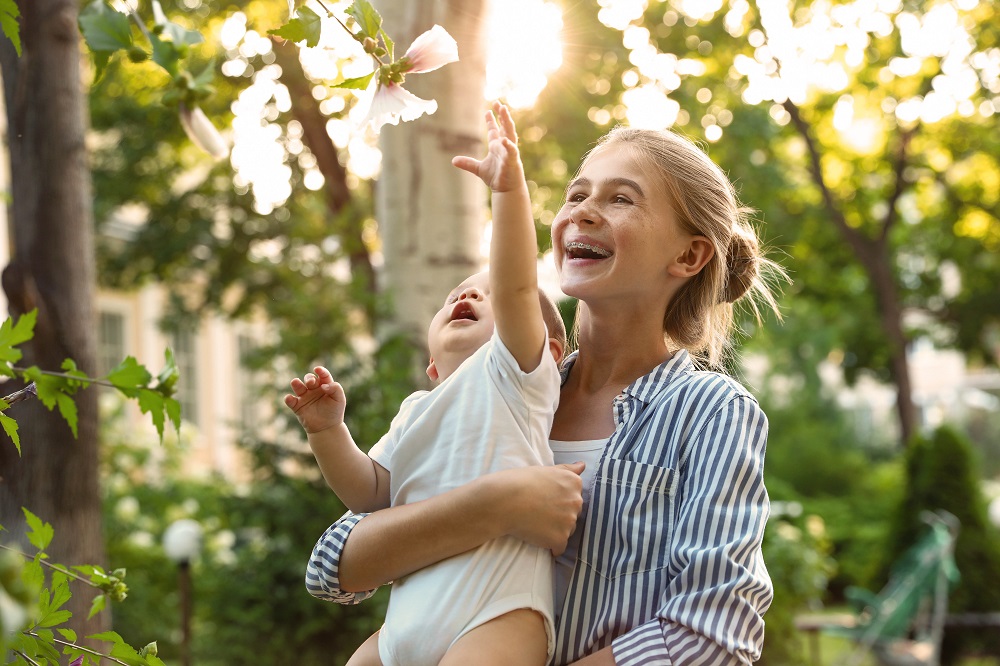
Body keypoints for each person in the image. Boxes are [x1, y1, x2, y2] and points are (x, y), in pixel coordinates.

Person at [305, 120, 782, 664]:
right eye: (576, 195)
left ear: (689, 257)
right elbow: (334, 566)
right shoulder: (496, 387)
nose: (583, 211)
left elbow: (712, 634)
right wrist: (496, 506)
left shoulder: (711, 412)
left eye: (621, 198)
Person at [286, 102, 569, 666]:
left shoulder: (515, 379)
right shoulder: (417, 410)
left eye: (486, 292)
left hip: (494, 614)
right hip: (403, 624)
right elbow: (370, 494)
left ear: (549, 354)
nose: (468, 294)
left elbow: (518, 284)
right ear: (433, 367)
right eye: (454, 295)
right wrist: (327, 433)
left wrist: (509, 192)